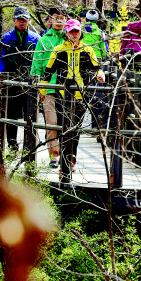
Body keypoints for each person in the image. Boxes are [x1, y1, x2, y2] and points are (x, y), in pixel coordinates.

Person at [41, 19, 105, 173]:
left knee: (75, 129)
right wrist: (42, 91)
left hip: (81, 96)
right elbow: (48, 72)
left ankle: (71, 160)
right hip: (63, 95)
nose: (74, 34)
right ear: (66, 33)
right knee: (64, 128)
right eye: (71, 31)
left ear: (81, 32)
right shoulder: (58, 50)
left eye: (77, 31)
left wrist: (100, 75)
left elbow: (97, 68)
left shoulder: (88, 50)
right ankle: (64, 160)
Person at [30, 7, 67, 167]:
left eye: (62, 17)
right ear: (50, 19)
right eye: (56, 17)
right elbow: (36, 65)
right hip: (49, 87)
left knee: (67, 123)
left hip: (68, 88)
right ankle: (55, 156)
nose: (59, 20)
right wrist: (40, 90)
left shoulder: (72, 37)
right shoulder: (44, 40)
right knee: (51, 123)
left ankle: (67, 155)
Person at [0, 6, 39, 150]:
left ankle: (29, 146)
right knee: (11, 113)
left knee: (30, 113)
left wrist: (36, 76)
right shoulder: (6, 38)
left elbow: (39, 59)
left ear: (29, 20)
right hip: (11, 80)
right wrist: (2, 75)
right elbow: (1, 58)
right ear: (14, 20)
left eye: (25, 19)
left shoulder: (35, 38)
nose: (22, 22)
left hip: (29, 80)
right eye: (20, 19)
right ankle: (12, 143)